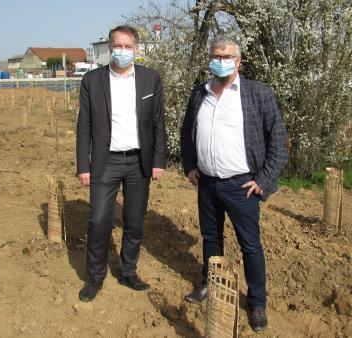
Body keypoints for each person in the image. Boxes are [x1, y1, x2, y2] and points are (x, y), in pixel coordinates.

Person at [180, 35, 288, 331]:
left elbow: (278, 139)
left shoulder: (257, 93)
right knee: (211, 239)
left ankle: (256, 302)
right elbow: (186, 132)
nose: (221, 61)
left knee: (250, 246)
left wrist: (263, 180)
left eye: (227, 56)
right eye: (216, 56)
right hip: (207, 183)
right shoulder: (199, 93)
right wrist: (189, 165)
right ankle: (208, 284)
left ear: (239, 61)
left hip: (242, 185)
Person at [76, 25, 166, 302]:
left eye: (128, 47)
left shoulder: (151, 79)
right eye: (117, 46)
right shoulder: (93, 81)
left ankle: (128, 271)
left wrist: (158, 160)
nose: (122, 52)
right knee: (99, 221)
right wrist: (84, 165)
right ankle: (95, 276)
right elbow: (84, 127)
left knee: (134, 221)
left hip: (139, 161)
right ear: (109, 48)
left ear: (136, 49)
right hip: (107, 162)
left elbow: (158, 123)